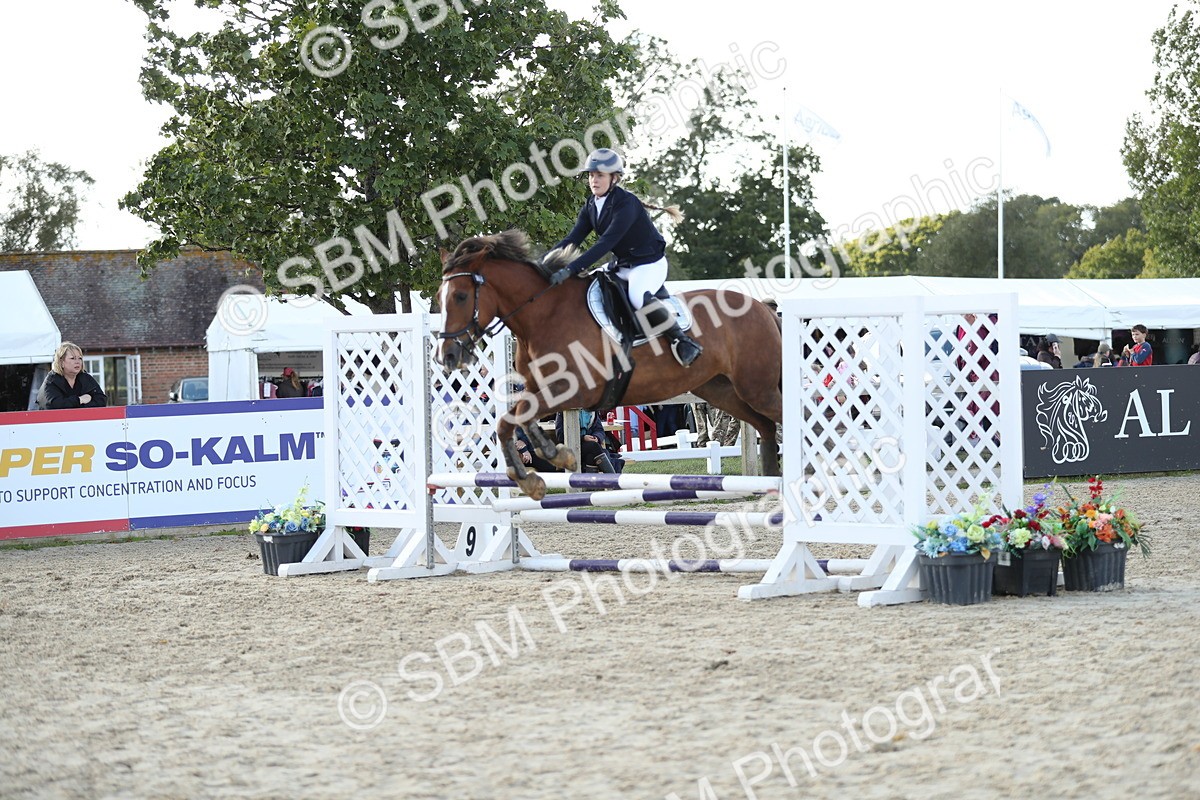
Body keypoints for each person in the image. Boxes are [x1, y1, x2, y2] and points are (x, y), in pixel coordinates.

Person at [546, 147, 702, 367]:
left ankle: (682, 340)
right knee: (589, 288)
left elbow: (606, 243)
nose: (594, 180)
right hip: (623, 264)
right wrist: (544, 262)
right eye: (591, 175)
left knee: (638, 296)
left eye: (599, 175)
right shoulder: (591, 205)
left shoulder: (626, 203)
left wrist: (570, 269)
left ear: (614, 178)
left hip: (649, 263)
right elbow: (573, 239)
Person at [37, 342, 107, 410]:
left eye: (80, 358)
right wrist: (80, 400)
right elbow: (58, 405)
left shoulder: (85, 378)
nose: (77, 362)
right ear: (61, 362)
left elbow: (101, 400)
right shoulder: (51, 381)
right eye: (72, 358)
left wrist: (80, 408)